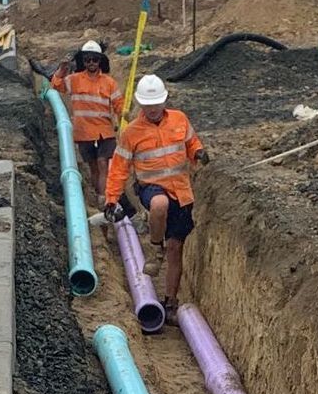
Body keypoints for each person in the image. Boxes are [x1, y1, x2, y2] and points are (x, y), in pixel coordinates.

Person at [105, 73, 207, 322]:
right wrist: (111, 198)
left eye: (156, 104)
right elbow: (119, 168)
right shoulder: (132, 132)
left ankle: (171, 302)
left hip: (181, 192)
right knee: (159, 206)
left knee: (176, 248)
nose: (152, 109)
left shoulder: (180, 119)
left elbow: (191, 143)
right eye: (147, 105)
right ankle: (154, 248)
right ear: (141, 104)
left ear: (164, 101)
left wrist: (199, 152)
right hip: (151, 187)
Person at [50, 39, 118, 203]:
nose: (91, 63)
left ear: (100, 60)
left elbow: (119, 104)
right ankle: (97, 196)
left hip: (104, 132)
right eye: (88, 59)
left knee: (103, 164)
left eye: (95, 59)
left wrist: (126, 116)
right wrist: (63, 68)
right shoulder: (74, 79)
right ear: (83, 61)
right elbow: (56, 85)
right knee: (94, 167)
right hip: (84, 132)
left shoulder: (109, 82)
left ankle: (104, 199)